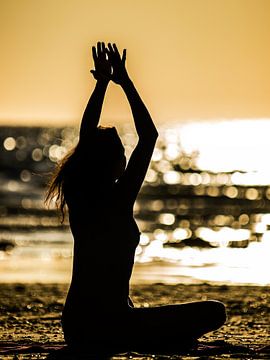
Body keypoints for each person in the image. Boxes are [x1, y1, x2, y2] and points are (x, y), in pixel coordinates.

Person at [46, 42, 226, 356]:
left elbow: (86, 139)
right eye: (122, 152)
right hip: (111, 325)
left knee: (161, 322)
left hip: (76, 326)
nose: (127, 157)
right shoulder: (119, 199)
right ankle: (151, 339)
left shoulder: (79, 196)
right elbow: (149, 136)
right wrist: (124, 82)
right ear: (114, 161)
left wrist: (102, 84)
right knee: (215, 312)